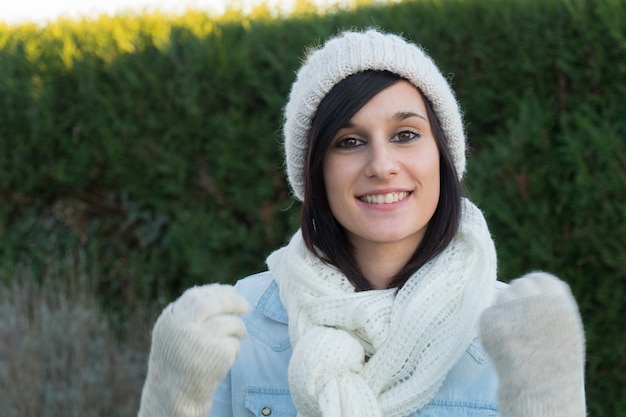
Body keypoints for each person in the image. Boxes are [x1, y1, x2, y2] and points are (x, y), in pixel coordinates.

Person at [137, 29, 586, 417]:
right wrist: (169, 401)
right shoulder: (241, 324)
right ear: (315, 170)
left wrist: (549, 401)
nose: (382, 164)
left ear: (442, 156)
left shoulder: (513, 329)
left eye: (405, 134)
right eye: (349, 141)